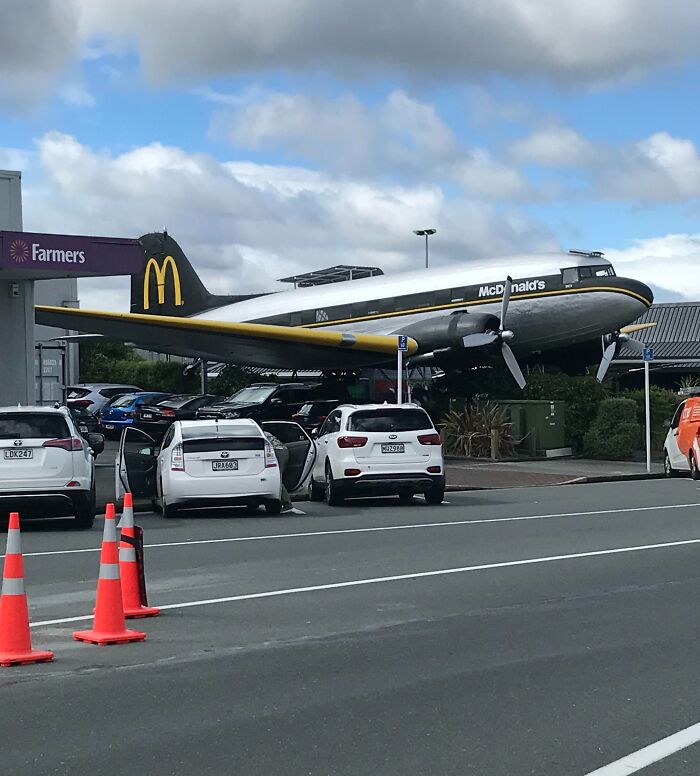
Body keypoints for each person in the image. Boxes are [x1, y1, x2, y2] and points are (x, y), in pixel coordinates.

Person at [263, 430, 294, 512]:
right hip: (283, 450)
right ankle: (284, 502)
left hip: (277, 451)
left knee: (277, 478)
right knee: (278, 477)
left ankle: (287, 503)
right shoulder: (265, 432)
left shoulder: (257, 433)